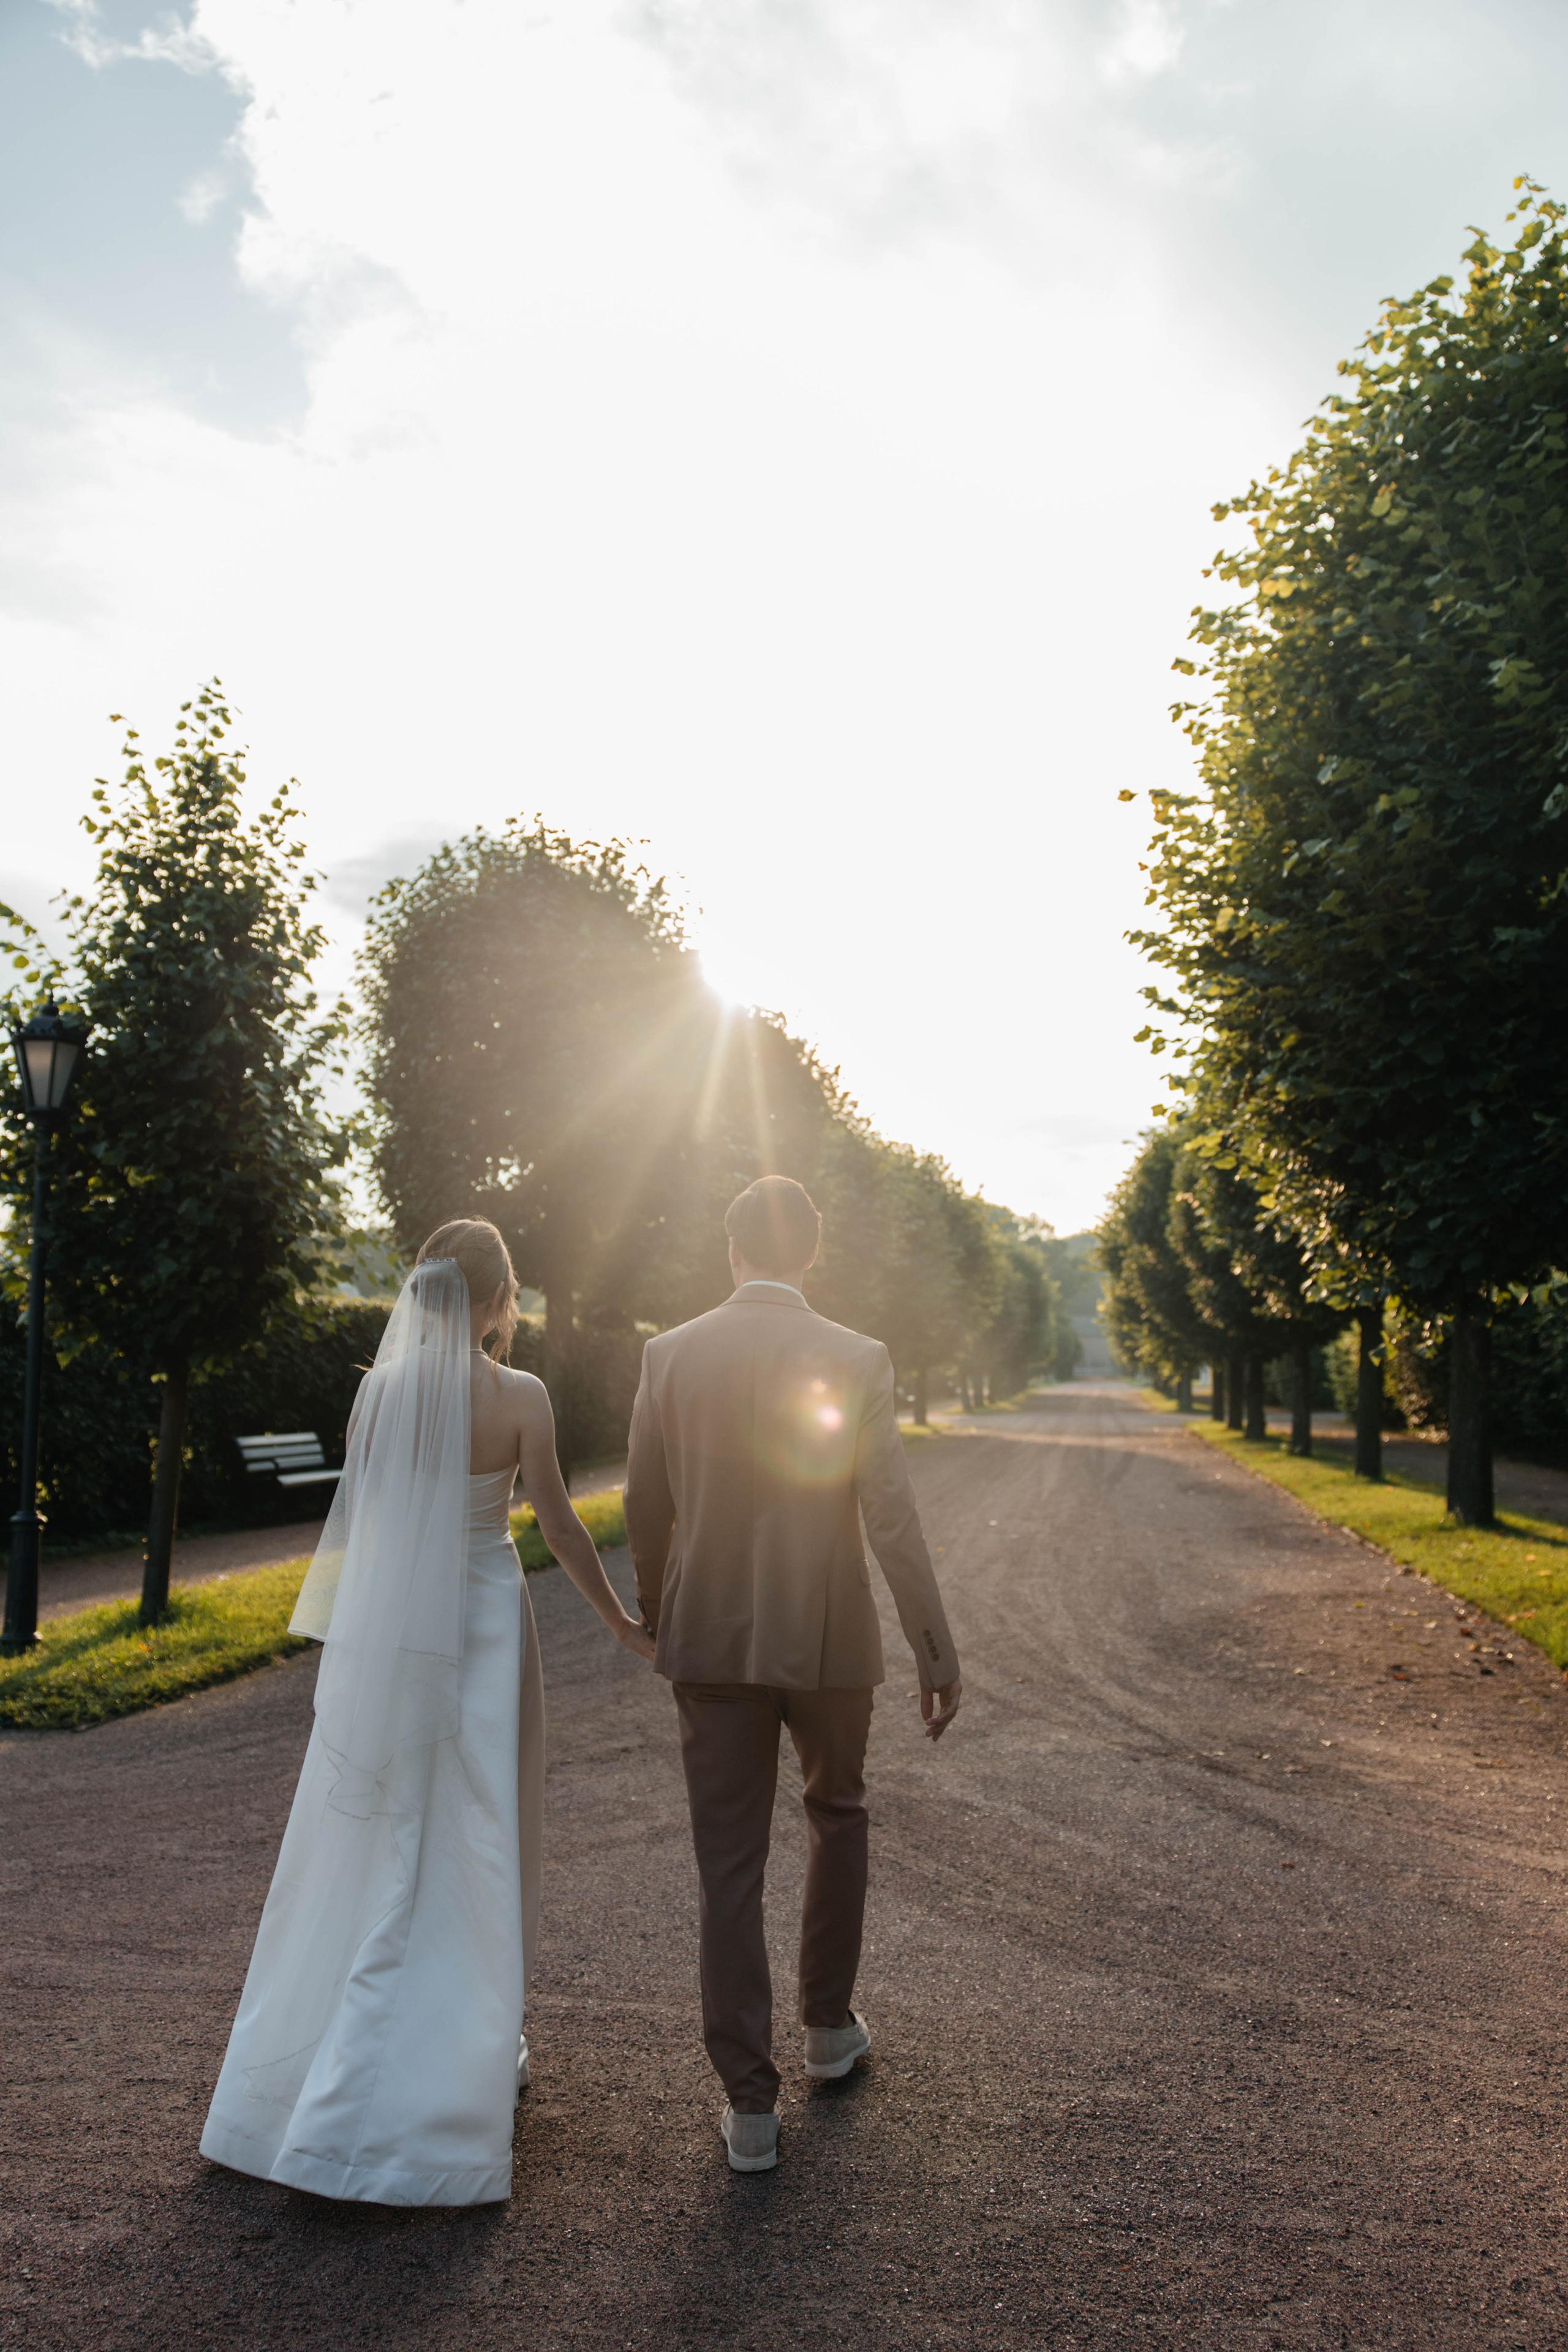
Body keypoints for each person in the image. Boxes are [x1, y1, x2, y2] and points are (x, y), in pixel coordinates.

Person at [200, 1218, 653, 2206]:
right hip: (486, 1619)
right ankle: (459, 2058)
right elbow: (562, 1524)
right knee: (481, 1826)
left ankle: (316, 2071)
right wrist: (622, 1623)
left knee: (384, 1828)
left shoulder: (378, 1390)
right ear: (497, 1300)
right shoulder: (520, 1395)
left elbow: (367, 1522)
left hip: (394, 1629)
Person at [624, 1175, 962, 2174]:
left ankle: (750, 2107)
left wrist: (657, 1606)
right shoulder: (859, 1356)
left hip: (713, 1638)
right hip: (828, 1638)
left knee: (728, 1862)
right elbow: (890, 1515)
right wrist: (935, 1649)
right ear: (811, 1256)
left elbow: (647, 1504)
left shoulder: (669, 1354)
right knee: (838, 1812)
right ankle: (826, 2028)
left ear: (732, 1251)